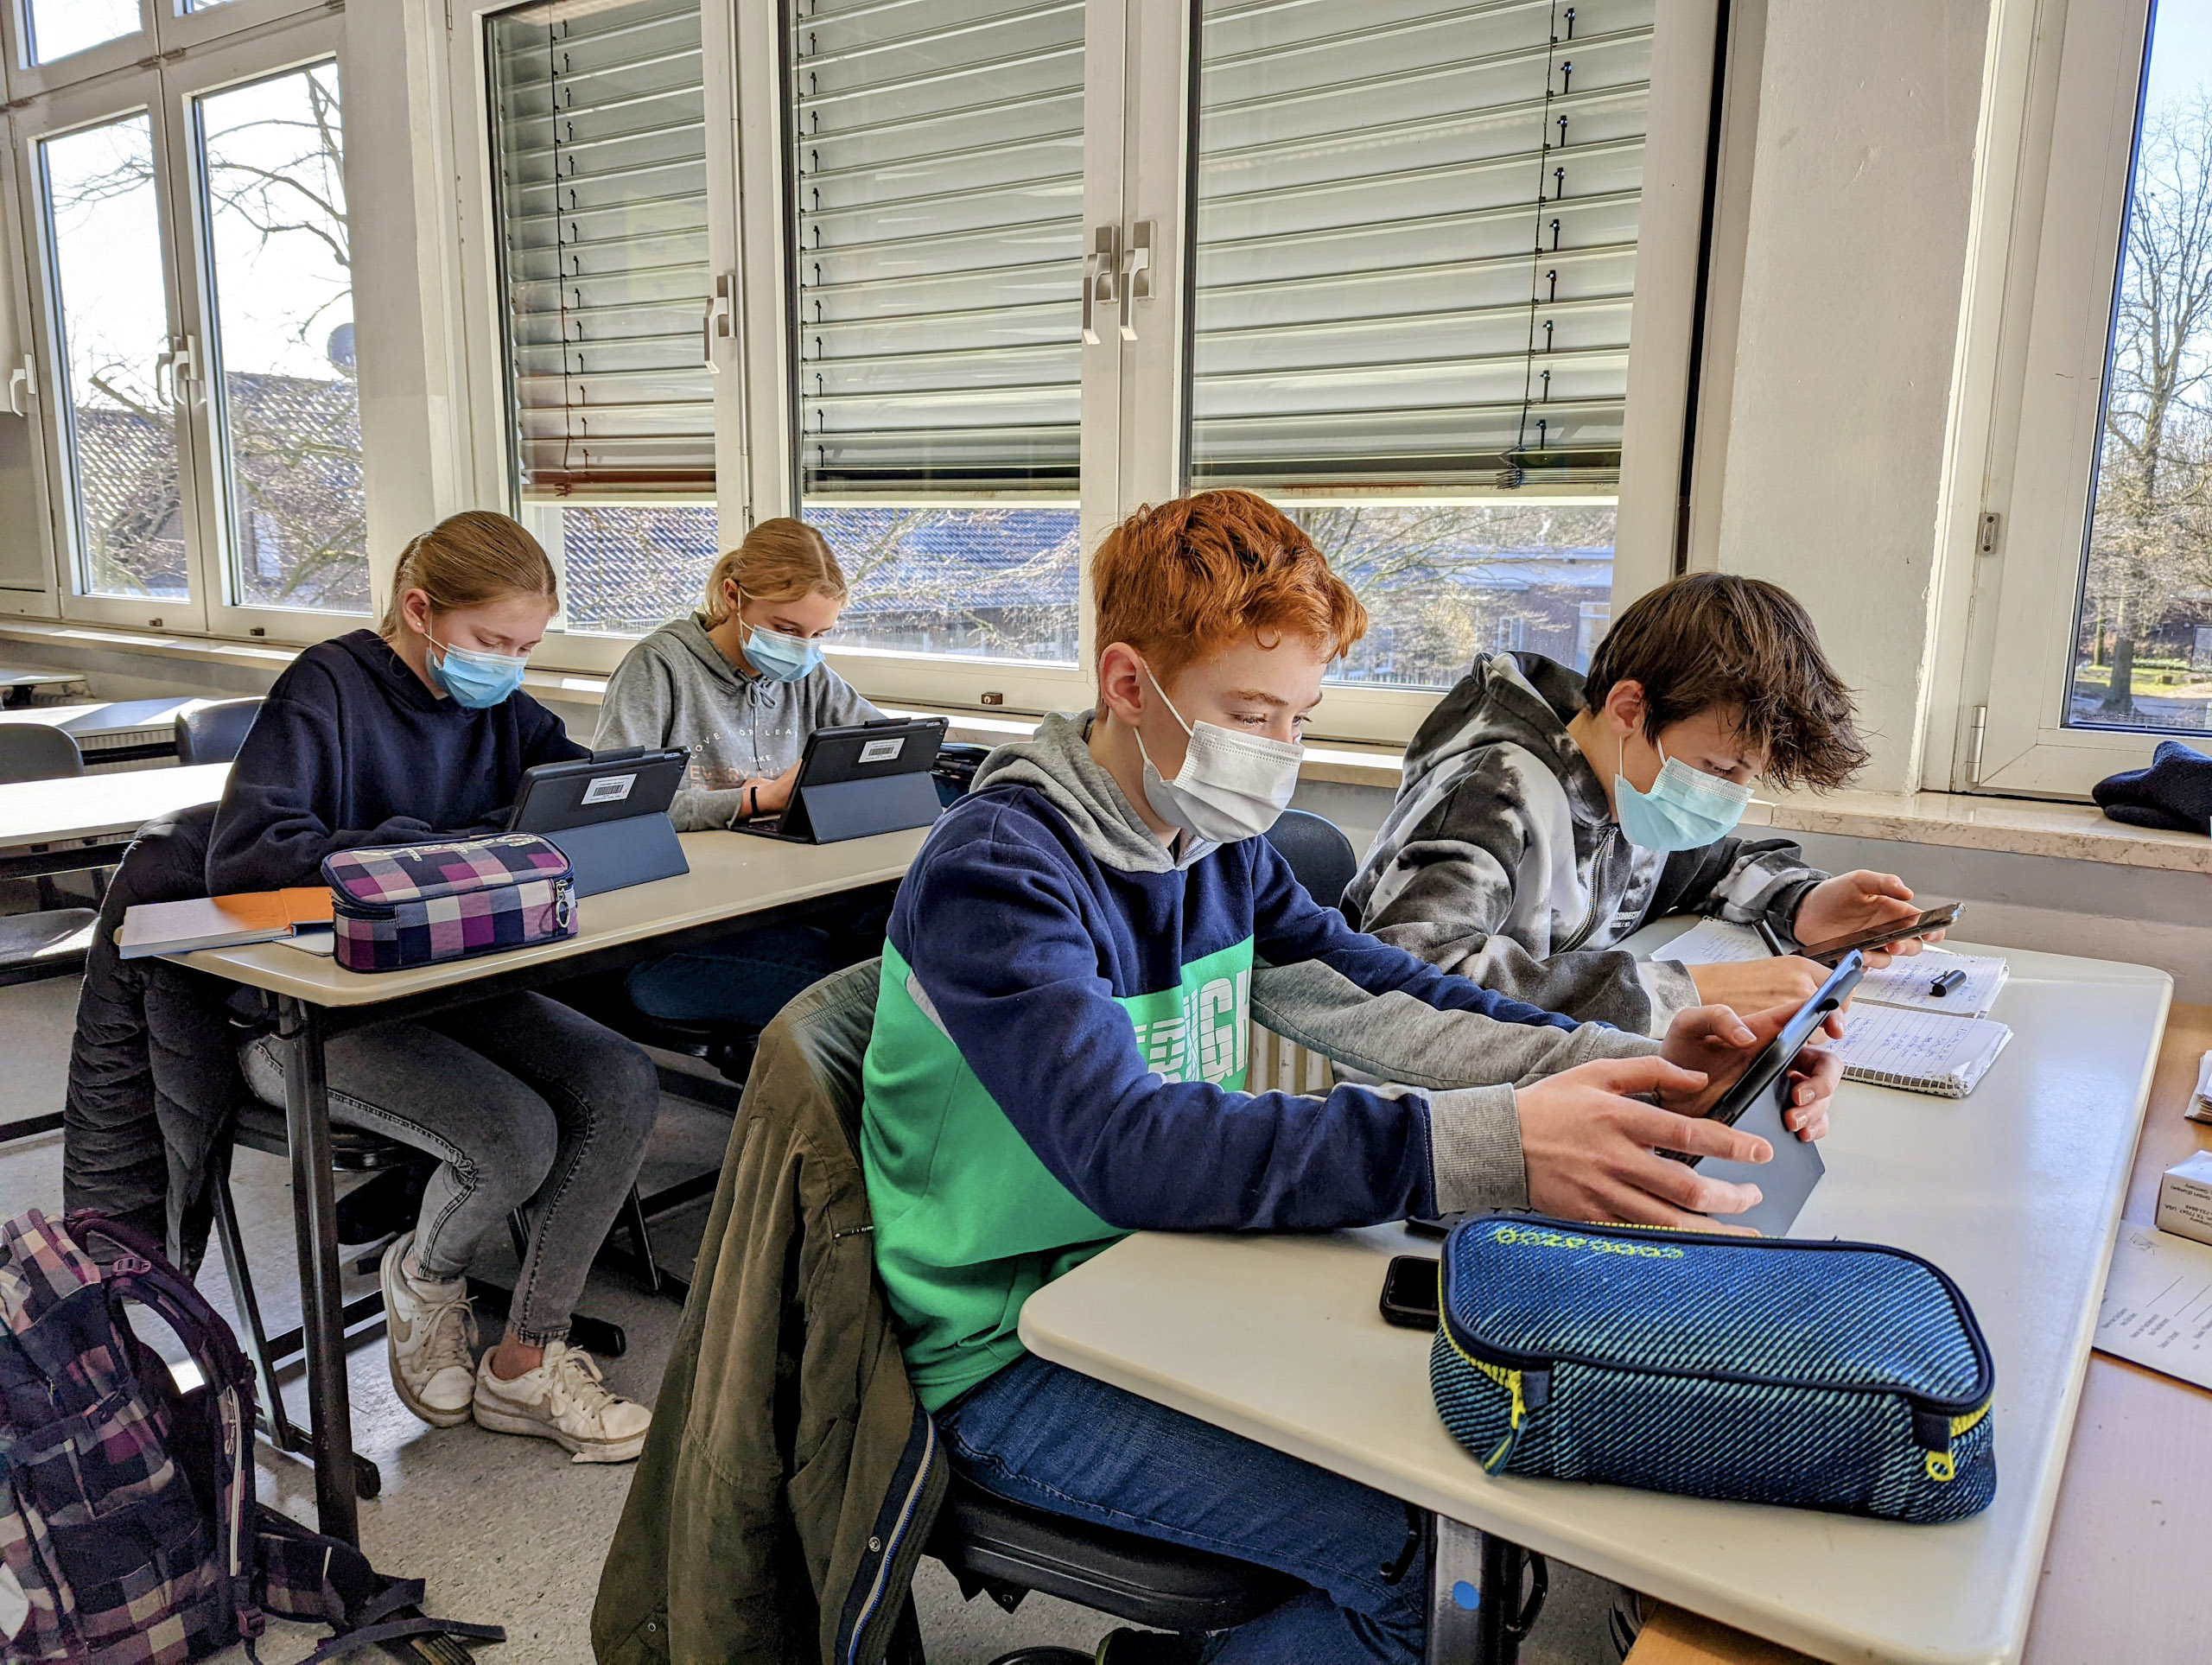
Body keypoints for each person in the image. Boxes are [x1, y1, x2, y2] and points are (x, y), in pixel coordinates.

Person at [856, 491, 1842, 1665]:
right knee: (1430, 1567)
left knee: (1469, 1493)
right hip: (1006, 1346)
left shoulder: (1218, 849)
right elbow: (1126, 1146)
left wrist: (1634, 1064)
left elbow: (1392, 998)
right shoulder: (999, 869)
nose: (1277, 751)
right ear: (1127, 683)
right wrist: (1484, 1141)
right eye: (1248, 713)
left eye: (1298, 717)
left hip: (1155, 1273)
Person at [207, 511, 658, 1463]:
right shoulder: (326, 688)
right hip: (308, 1011)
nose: (510, 666)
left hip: (452, 986)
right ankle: (425, 1274)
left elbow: (565, 791)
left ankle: (525, 1360)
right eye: (492, 641)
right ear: (419, 611)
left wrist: (610, 799)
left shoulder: (499, 707)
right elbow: (247, 856)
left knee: (621, 1079)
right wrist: (441, 847)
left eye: (527, 648)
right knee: (511, 1136)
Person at [1343, 572, 1929, 1034]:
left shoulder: (1626, 785)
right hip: (1431, 1103)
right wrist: (1687, 991)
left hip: (1552, 1062)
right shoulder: (1492, 792)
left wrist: (1805, 902)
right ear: (1629, 710)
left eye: (1744, 777)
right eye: (1718, 769)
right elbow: (1417, 977)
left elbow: (1709, 866)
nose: (1723, 795)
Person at [594, 518, 887, 1033]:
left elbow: (883, 745)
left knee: (914, 944)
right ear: (733, 597)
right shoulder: (658, 667)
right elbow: (616, 809)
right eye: (786, 630)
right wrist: (754, 801)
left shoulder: (808, 675)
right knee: (867, 996)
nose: (803, 649)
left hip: (780, 903)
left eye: (819, 635)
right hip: (680, 931)